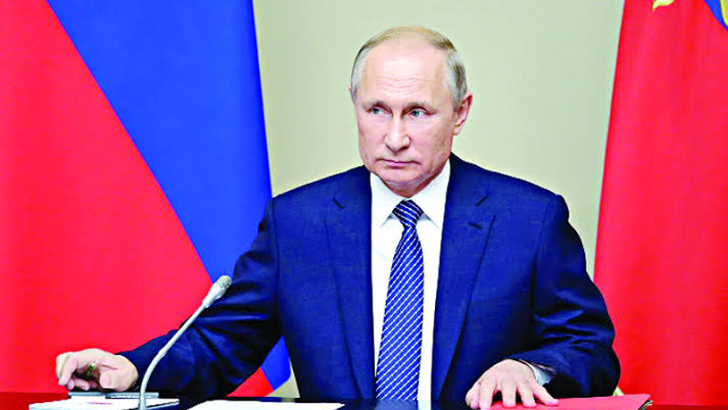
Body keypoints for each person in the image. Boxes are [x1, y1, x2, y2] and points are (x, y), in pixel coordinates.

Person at [55, 26, 619, 409]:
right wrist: (132, 369)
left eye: (417, 113)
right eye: (376, 110)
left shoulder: (529, 220)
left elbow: (591, 349)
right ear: (354, 102)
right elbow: (224, 341)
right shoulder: (297, 222)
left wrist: (531, 367)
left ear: (460, 112)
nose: (394, 137)